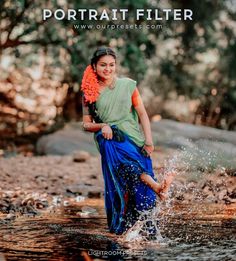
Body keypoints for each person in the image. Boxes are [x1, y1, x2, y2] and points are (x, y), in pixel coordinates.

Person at [81, 47, 174, 235]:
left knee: (137, 188)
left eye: (111, 65)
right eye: (103, 65)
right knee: (122, 171)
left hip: (134, 139)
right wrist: (103, 125)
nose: (108, 69)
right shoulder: (88, 93)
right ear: (94, 66)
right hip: (110, 141)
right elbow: (86, 124)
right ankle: (156, 187)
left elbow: (142, 114)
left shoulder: (128, 85)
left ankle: (147, 234)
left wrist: (149, 140)